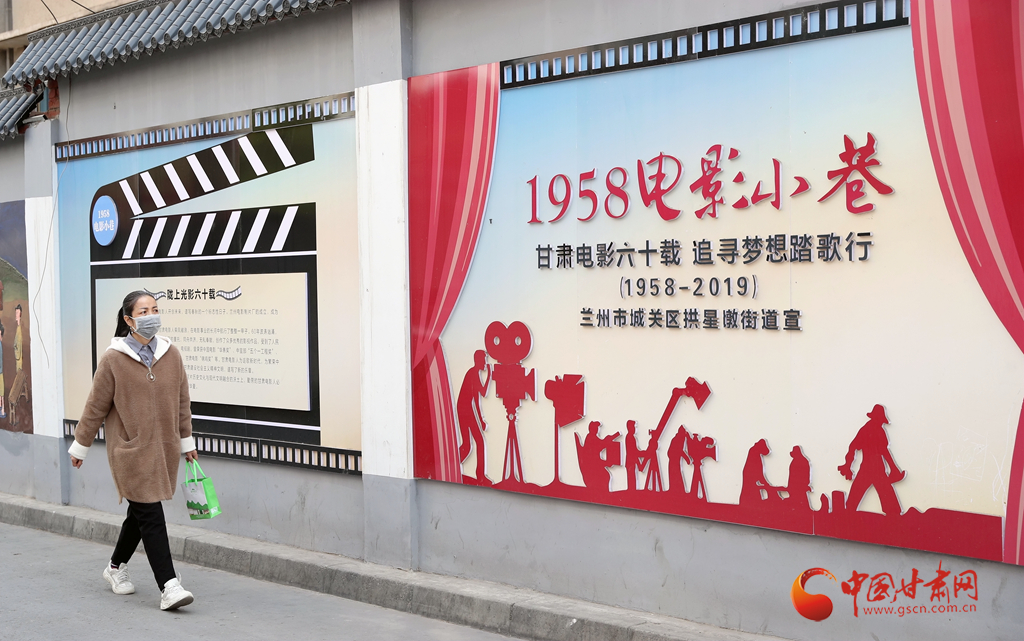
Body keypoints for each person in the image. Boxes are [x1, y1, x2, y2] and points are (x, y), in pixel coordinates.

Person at [68, 291, 199, 611]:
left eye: (155, 309)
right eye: (143, 311)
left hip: (164, 449)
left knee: (140, 513)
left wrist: (186, 442)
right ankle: (169, 585)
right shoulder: (114, 359)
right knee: (151, 513)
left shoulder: (171, 354)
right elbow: (95, 406)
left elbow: (182, 402)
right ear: (129, 319)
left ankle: (115, 567)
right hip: (130, 451)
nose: (151, 315)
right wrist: (81, 445)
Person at [838, 404, 906, 516]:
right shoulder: (874, 430)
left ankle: (848, 515)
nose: (882, 423)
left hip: (870, 467)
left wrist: (848, 465)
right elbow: (884, 451)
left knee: (854, 500)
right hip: (875, 468)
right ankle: (894, 517)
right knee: (890, 504)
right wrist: (894, 468)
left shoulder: (868, 429)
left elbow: (854, 446)